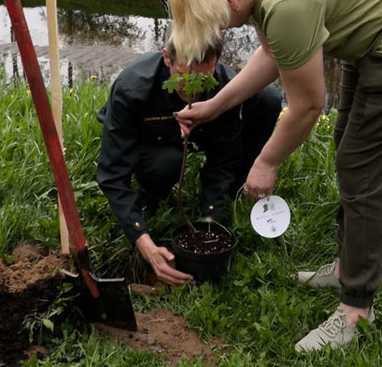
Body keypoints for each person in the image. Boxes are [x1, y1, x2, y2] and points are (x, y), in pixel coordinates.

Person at [168, 0, 382, 352]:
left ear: (228, 0)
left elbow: (306, 106)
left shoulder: (286, 5)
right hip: (373, 30)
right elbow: (273, 54)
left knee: (364, 168)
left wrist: (265, 162)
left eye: (220, 23)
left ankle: (356, 309)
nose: (227, 30)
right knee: (350, 148)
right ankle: (346, 266)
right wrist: (214, 106)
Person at [97, 32, 281, 285]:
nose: (191, 87)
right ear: (166, 57)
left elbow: (223, 158)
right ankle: (151, 196)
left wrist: (209, 220)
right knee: (165, 165)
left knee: (267, 99)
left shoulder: (224, 86)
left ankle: (233, 194)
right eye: (183, 76)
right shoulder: (133, 88)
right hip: (152, 133)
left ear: (216, 62)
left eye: (203, 78)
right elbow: (112, 174)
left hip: (205, 129)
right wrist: (144, 242)